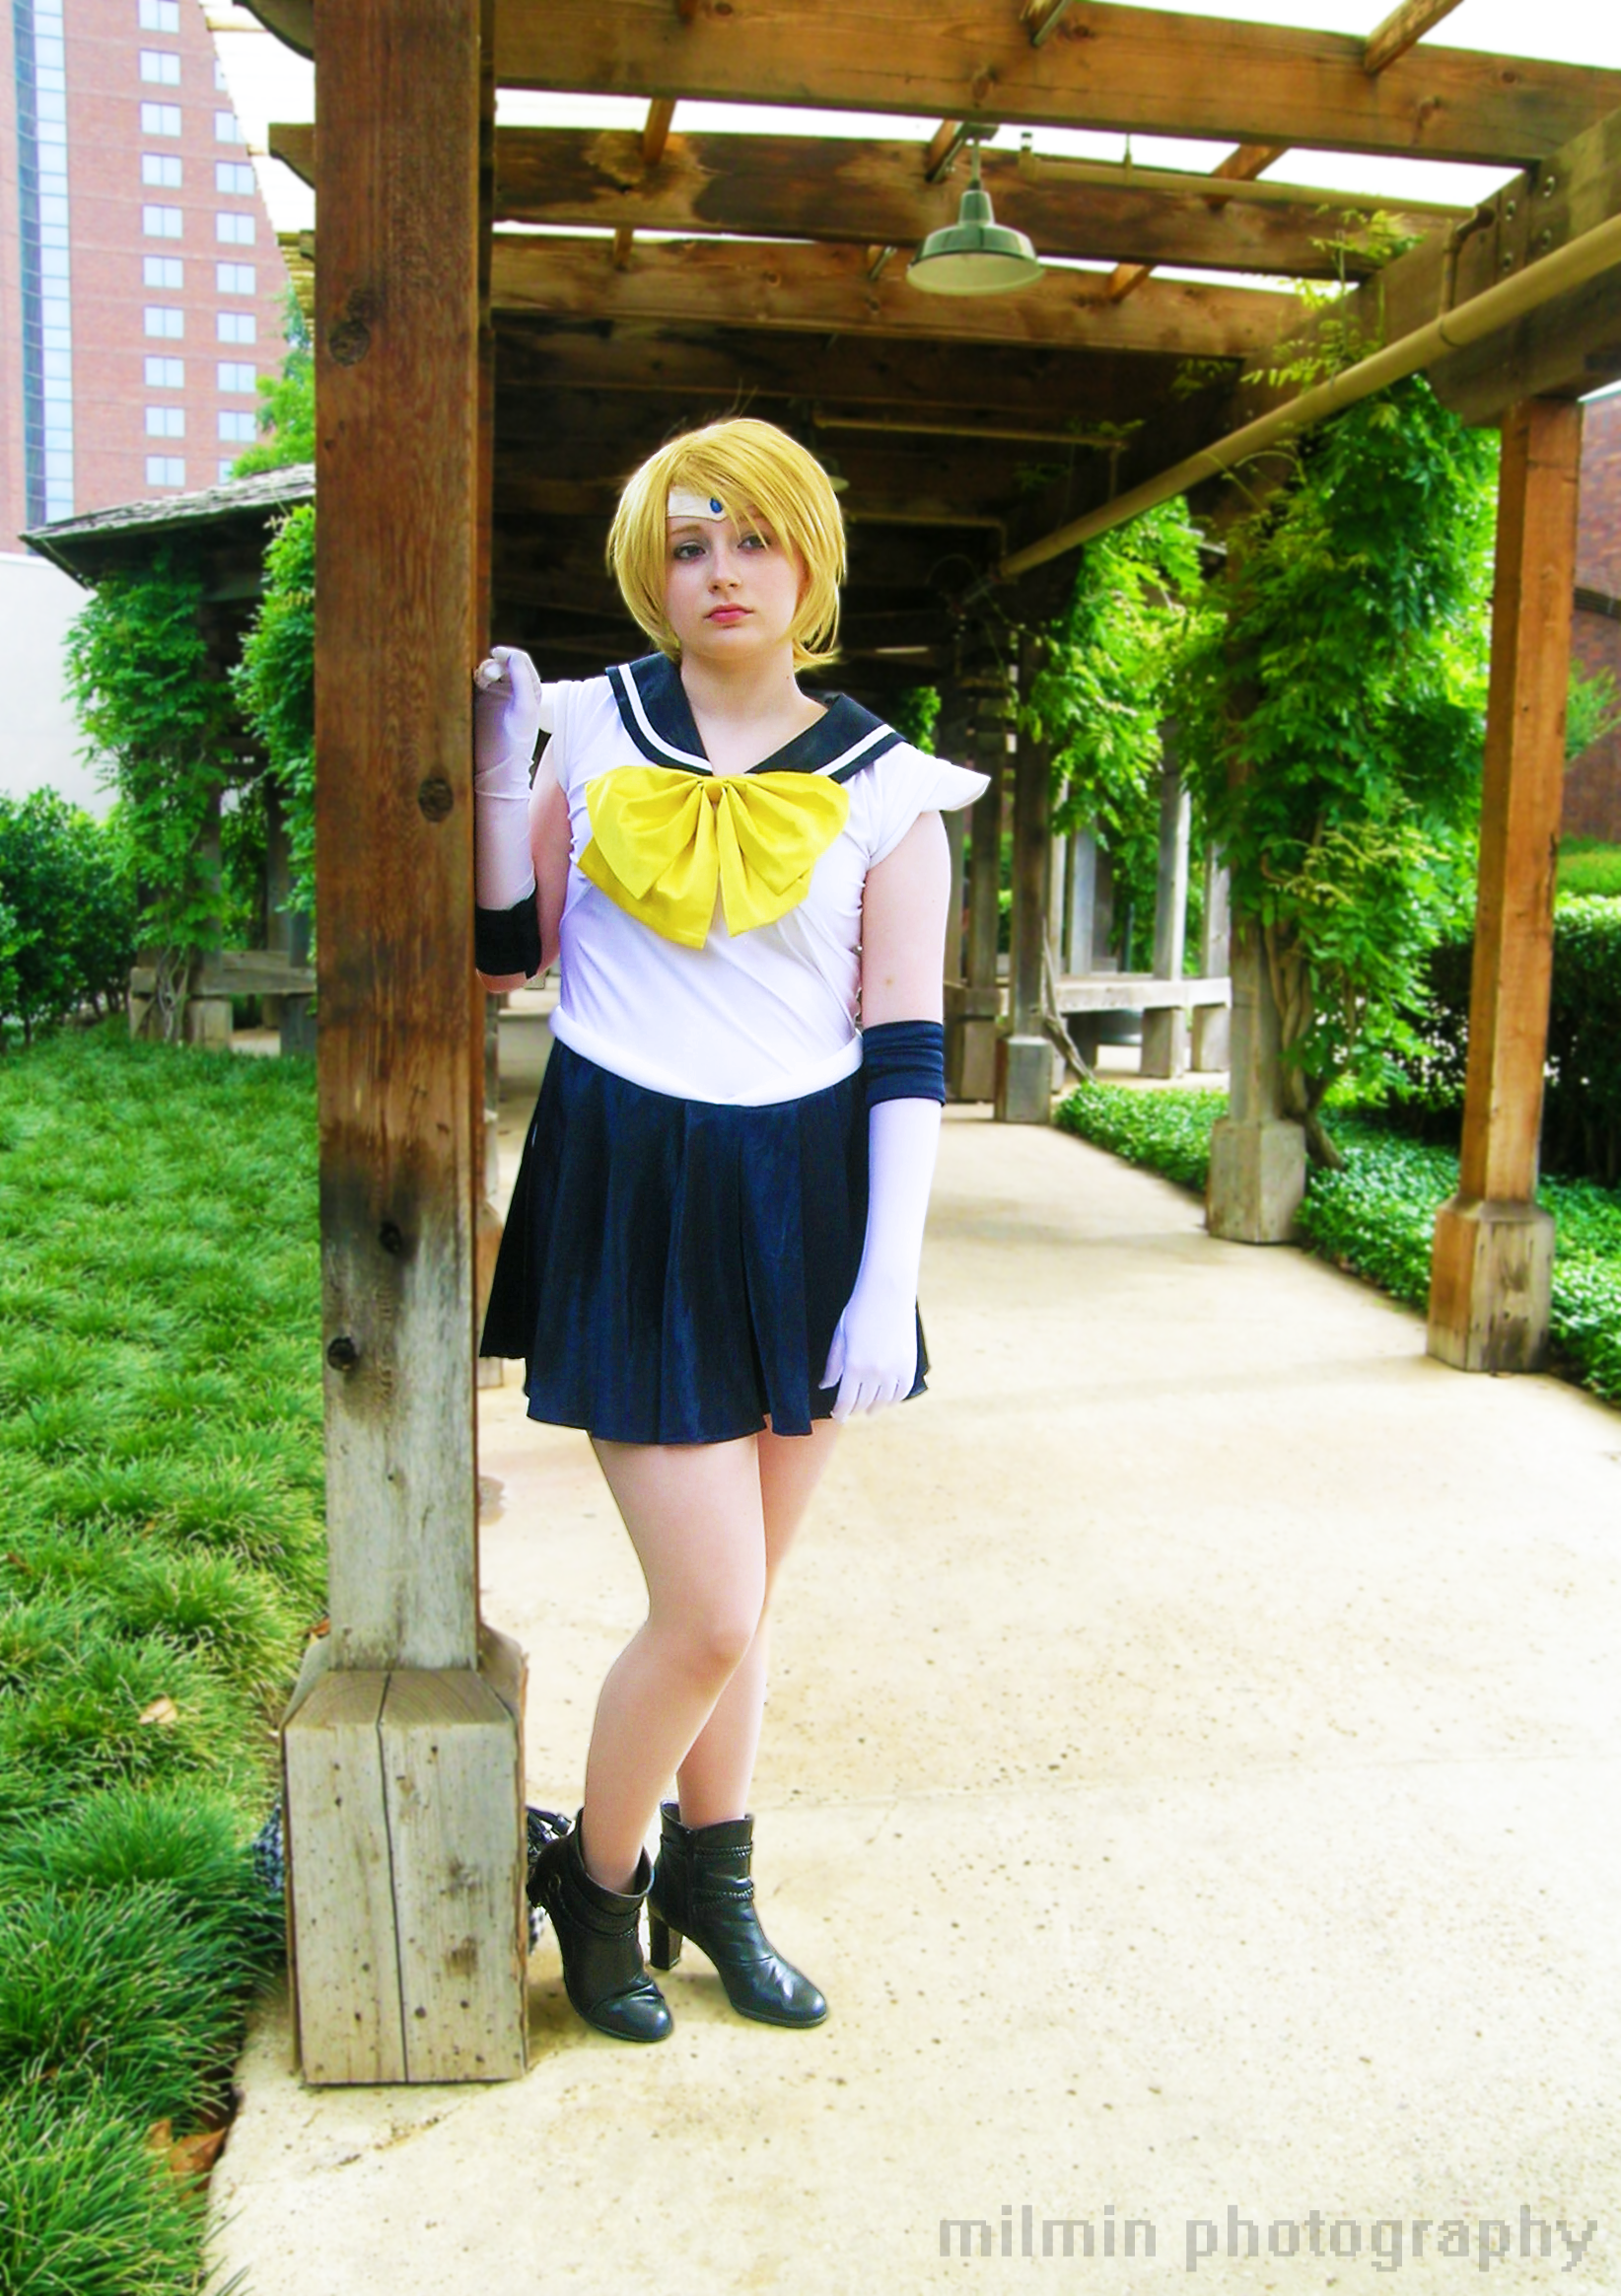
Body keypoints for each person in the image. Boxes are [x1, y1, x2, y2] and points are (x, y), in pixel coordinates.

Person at [471, 417, 986, 2045]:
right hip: (631, 1182)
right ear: (654, 571)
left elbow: (908, 1043)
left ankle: (719, 1881)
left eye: (752, 538)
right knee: (704, 1611)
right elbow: (506, 954)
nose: (721, 571)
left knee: (746, 1599)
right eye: (689, 544)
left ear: (809, 560)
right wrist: (497, 778)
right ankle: (599, 1878)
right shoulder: (588, 725)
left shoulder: (890, 785)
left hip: (807, 1203)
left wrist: (887, 1279)